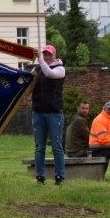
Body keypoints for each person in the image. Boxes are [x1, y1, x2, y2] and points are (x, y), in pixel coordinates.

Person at [31, 44, 66, 185]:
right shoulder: (37, 69)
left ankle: (59, 177)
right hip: (38, 112)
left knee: (57, 146)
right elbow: (28, 84)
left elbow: (49, 74)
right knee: (39, 147)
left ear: (54, 55)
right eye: (44, 54)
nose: (46, 57)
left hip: (54, 113)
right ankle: (40, 176)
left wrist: (39, 59)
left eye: (49, 54)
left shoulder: (60, 69)